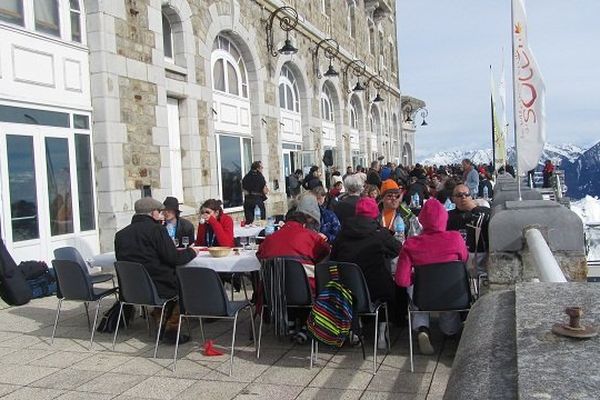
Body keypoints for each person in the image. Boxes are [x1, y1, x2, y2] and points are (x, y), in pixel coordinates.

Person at [114, 197, 199, 343]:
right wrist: (192, 252)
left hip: (131, 289)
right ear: (153, 213)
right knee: (183, 284)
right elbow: (173, 258)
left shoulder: (120, 235)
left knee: (168, 282)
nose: (161, 215)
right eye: (159, 212)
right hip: (158, 286)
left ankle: (159, 318)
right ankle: (171, 330)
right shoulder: (157, 230)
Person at [394, 198, 468, 355]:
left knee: (414, 290)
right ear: (444, 218)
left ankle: (422, 328)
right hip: (451, 294)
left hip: (424, 296)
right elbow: (464, 260)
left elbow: (401, 280)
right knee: (449, 296)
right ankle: (450, 332)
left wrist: (415, 281)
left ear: (422, 220)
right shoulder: (455, 238)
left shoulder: (411, 244)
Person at [331, 197, 401, 349]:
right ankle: (382, 334)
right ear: (375, 214)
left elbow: (333, 258)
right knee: (387, 287)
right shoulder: (380, 234)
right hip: (377, 289)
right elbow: (397, 249)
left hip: (348, 290)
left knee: (356, 285)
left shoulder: (343, 234)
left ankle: (357, 328)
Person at [447, 184, 491, 277]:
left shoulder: (481, 211)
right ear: (453, 199)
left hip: (478, 256)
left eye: (466, 194)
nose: (463, 197)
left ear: (471, 197)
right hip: (457, 257)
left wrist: (473, 208)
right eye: (459, 195)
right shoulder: (449, 216)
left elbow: (490, 215)